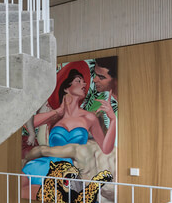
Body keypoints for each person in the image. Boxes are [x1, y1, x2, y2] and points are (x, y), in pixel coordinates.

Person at [22, 67, 117, 195]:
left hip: (69, 172)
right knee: (20, 186)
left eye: (84, 82)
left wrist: (113, 119)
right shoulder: (56, 116)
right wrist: (58, 111)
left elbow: (106, 148)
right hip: (44, 165)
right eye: (79, 81)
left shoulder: (89, 117)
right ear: (66, 88)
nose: (84, 84)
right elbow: (28, 125)